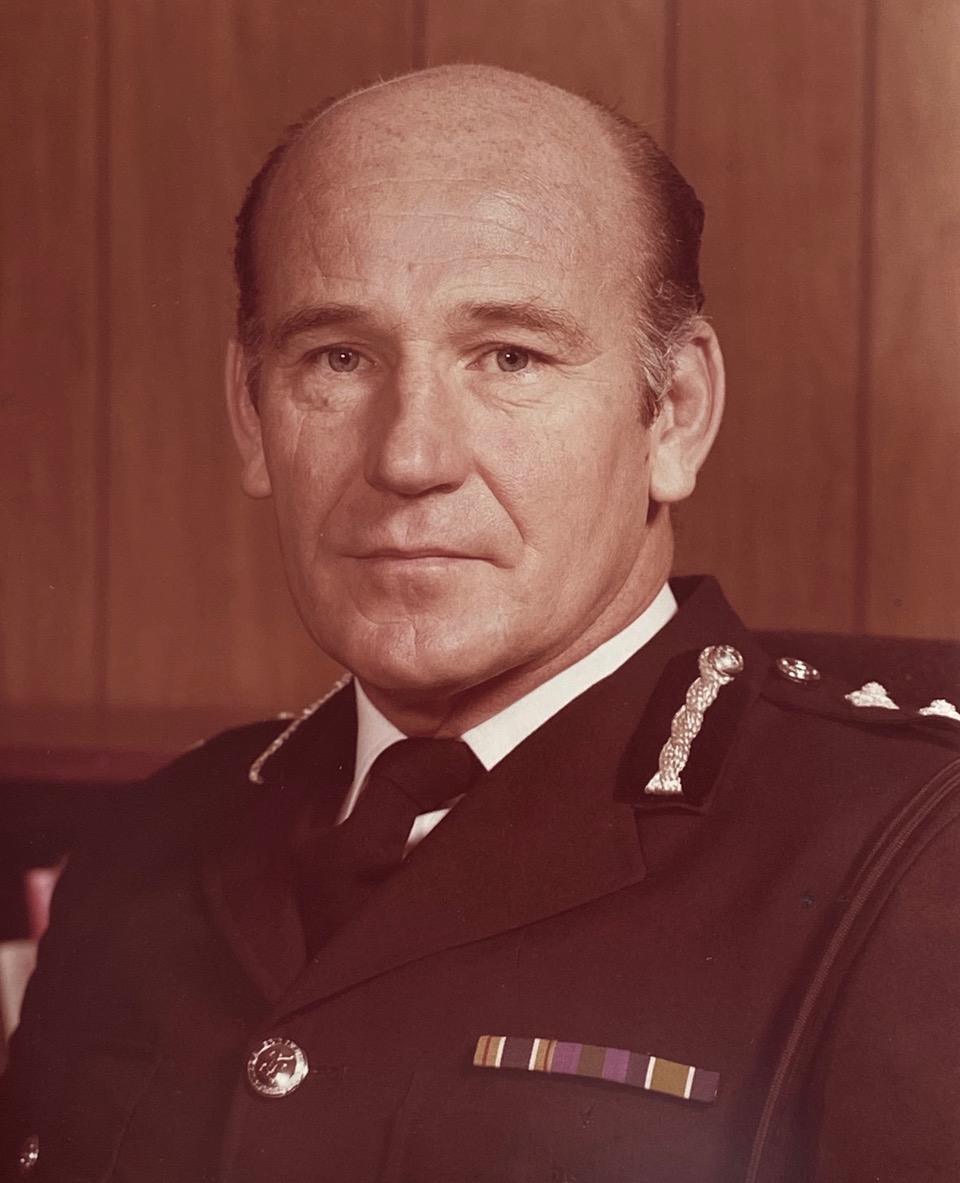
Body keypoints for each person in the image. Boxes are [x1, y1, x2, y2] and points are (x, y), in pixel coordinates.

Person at [2, 64, 959, 1183]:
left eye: (511, 356)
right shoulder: (142, 852)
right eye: (338, 358)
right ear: (252, 414)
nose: (410, 456)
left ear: (675, 415)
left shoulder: (913, 867)